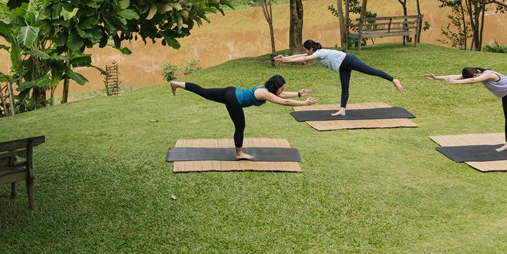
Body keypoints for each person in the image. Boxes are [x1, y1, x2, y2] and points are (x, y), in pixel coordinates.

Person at [169, 74, 316, 160]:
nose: (283, 90)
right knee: (240, 127)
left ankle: (177, 84)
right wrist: (304, 104)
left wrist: (298, 93)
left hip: (231, 91)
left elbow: (282, 95)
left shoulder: (266, 89)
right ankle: (239, 153)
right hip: (234, 100)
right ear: (275, 87)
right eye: (281, 87)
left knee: (204, 91)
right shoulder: (264, 93)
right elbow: (284, 101)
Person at [273, 39, 403, 117]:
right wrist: (284, 58)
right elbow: (299, 56)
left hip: (349, 60)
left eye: (307, 50)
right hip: (343, 65)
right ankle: (342, 110)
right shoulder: (315, 52)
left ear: (311, 49)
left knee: (371, 71)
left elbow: (304, 58)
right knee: (344, 87)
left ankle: (393, 80)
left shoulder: (319, 53)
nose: (306, 52)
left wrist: (287, 61)